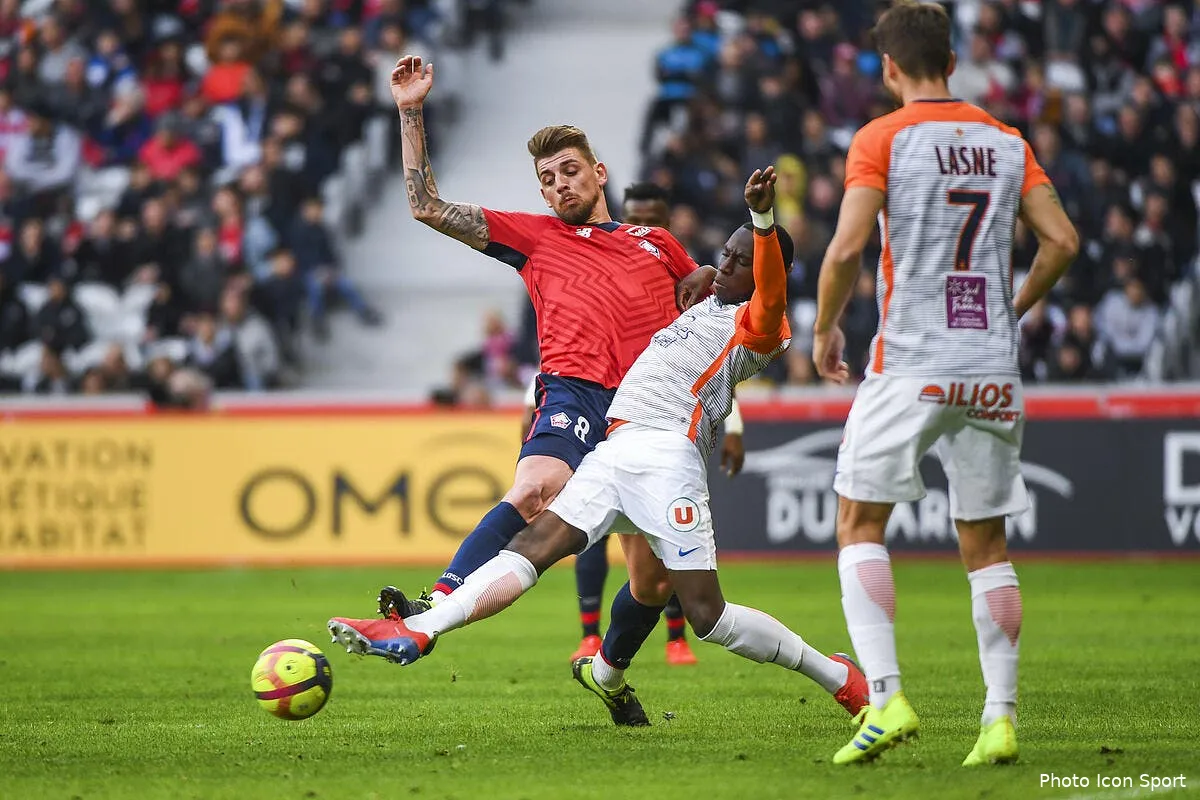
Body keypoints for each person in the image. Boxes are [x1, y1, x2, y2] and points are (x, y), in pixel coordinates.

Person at [329, 168, 869, 730]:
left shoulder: (762, 322)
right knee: (534, 544)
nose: (725, 264)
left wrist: (761, 223)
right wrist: (710, 269)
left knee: (706, 614)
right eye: (725, 254)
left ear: (762, 271)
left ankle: (837, 677)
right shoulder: (706, 302)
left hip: (668, 457)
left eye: (739, 260)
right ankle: (423, 628)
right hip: (616, 447)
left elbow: (769, 290)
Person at [809, 2, 1078, 767]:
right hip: (991, 366)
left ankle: (886, 699)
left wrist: (827, 327)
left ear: (888, 67)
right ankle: (1000, 718)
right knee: (986, 543)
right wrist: (1014, 307)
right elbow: (1061, 241)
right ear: (952, 62)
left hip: (913, 362)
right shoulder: (1005, 140)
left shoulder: (882, 138)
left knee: (860, 523)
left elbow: (846, 250)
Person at [374, 56, 715, 626]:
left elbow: (710, 315)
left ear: (599, 172)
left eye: (570, 170)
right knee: (535, 489)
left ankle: (607, 669)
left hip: (649, 408)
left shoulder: (656, 243)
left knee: (652, 582)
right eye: (549, 180)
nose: (561, 185)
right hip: (572, 394)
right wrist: (411, 112)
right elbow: (425, 206)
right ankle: (437, 600)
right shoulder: (536, 238)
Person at [533, 180, 748, 667]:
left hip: (664, 426)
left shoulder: (688, 284)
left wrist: (732, 428)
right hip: (598, 413)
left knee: (655, 558)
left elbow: (718, 364)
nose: (642, 227)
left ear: (667, 223)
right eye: (635, 218)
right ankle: (592, 638)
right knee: (589, 530)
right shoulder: (604, 269)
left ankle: (672, 637)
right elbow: (566, 344)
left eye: (652, 219)